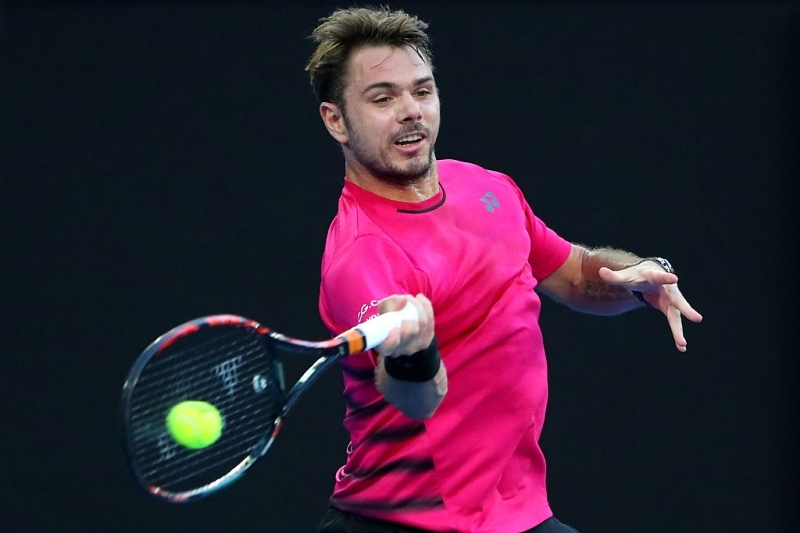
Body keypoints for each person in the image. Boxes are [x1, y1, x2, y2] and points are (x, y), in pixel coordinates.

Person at [304, 6, 703, 533]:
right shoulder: (363, 254)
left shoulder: (487, 188)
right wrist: (413, 352)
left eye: (422, 91)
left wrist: (640, 280)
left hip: (514, 514)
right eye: (383, 98)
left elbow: (577, 273)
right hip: (402, 523)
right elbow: (417, 398)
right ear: (336, 120)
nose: (411, 111)